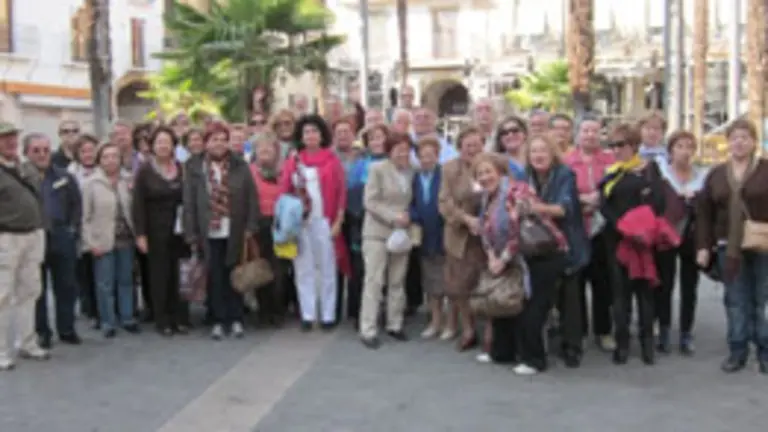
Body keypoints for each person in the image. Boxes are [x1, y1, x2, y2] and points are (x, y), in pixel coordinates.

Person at [696, 119, 768, 374]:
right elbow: (704, 213)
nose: (739, 142)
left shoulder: (765, 169)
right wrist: (703, 246)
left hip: (763, 246)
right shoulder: (716, 174)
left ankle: (764, 351)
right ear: (728, 142)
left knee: (762, 301)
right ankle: (737, 350)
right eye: (735, 138)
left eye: (745, 138)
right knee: (735, 300)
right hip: (728, 246)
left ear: (753, 142)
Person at [183, 122, 260, 340]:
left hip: (234, 229)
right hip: (208, 230)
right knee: (215, 276)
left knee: (234, 275)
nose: (218, 144)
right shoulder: (195, 167)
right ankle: (217, 319)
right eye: (214, 139)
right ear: (206, 143)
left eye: (222, 139)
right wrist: (191, 233)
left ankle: (236, 318)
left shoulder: (240, 166)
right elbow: (189, 202)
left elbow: (251, 197)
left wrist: (251, 225)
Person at [599, 123, 667, 365]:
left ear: (633, 146)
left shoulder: (648, 169)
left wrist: (641, 229)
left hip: (643, 241)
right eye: (612, 145)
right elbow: (603, 205)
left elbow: (658, 202)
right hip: (617, 239)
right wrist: (621, 226)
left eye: (621, 145)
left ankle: (647, 345)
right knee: (620, 294)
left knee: (645, 293)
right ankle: (623, 344)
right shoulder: (612, 172)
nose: (616, 150)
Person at [279, 114, 349, 331]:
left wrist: (339, 219)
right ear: (301, 136)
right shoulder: (293, 161)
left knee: (328, 268)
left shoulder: (332, 160)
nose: (310, 135)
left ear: (321, 135)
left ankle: (328, 314)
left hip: (324, 221)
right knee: (303, 269)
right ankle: (307, 314)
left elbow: (341, 193)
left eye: (314, 131)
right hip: (301, 223)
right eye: (306, 132)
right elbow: (284, 191)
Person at [525, 134, 588, 368]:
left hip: (566, 244)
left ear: (552, 154)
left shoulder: (564, 175)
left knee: (569, 298)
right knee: (541, 296)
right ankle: (544, 341)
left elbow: (563, 209)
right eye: (533, 152)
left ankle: (573, 346)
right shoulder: (526, 176)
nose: (538, 156)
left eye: (543, 151)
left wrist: (534, 208)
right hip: (537, 246)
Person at [21, 134, 82, 349]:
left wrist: (73, 228)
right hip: (33, 236)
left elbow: (76, 204)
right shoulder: (21, 178)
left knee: (66, 285)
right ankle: (42, 332)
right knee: (37, 288)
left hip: (61, 235)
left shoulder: (64, 176)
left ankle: (66, 329)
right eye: (36, 150)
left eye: (46, 149)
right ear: (26, 153)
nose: (42, 154)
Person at [564, 115, 616, 352]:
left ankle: (603, 330)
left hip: (602, 229)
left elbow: (616, 189)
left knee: (602, 283)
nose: (590, 135)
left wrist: (600, 199)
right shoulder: (567, 161)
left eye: (595, 131)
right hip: (576, 228)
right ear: (578, 133)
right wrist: (581, 199)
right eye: (585, 131)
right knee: (576, 282)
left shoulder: (610, 160)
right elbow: (563, 191)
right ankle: (580, 330)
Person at [0, 122, 49, 371]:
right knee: (3, 296)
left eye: (13, 137)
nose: (10, 142)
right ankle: (2, 351)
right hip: (7, 237)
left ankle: (27, 342)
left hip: (33, 234)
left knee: (30, 290)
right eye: (4, 138)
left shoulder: (22, 167)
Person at [358, 132, 414, 348]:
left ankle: (394, 324)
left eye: (406, 148)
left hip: (402, 234)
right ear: (389, 150)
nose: (403, 152)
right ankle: (368, 329)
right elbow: (370, 201)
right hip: (377, 232)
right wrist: (393, 217)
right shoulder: (377, 169)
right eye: (398, 148)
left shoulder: (412, 171)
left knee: (397, 280)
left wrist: (408, 218)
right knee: (374, 281)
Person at [132, 126, 189, 336]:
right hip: (155, 231)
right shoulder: (145, 171)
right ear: (152, 146)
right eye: (159, 142)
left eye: (167, 142)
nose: (163, 146)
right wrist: (140, 234)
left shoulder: (182, 169)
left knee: (179, 275)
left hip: (179, 230)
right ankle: (162, 319)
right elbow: (137, 204)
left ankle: (179, 317)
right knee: (159, 275)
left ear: (174, 145)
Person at [81, 143, 140, 339]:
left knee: (125, 280)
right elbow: (84, 217)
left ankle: (127, 317)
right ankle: (107, 321)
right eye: (106, 156)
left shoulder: (127, 180)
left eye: (114, 156)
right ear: (99, 159)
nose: (111, 160)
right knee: (104, 284)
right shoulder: (91, 183)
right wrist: (90, 243)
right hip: (102, 240)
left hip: (126, 239)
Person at [656, 130, 707, 354]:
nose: (685, 152)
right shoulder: (662, 173)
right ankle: (664, 329)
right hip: (667, 234)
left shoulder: (701, 176)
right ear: (670, 150)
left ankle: (686, 332)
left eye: (689, 147)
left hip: (691, 235)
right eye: (680, 146)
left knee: (690, 286)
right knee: (664, 284)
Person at [438, 127, 486, 351]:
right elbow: (445, 202)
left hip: (487, 236)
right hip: (459, 235)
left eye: (476, 145)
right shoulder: (449, 169)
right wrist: (466, 219)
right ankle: (467, 328)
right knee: (459, 285)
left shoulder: (491, 166)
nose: (472, 150)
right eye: (468, 146)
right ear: (459, 148)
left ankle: (489, 331)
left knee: (485, 284)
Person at [344, 124, 390, 326]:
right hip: (362, 221)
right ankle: (361, 312)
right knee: (362, 269)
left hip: (389, 221)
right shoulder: (361, 164)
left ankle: (387, 312)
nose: (376, 142)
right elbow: (352, 192)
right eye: (372, 139)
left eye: (380, 137)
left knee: (388, 271)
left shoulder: (394, 162)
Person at [411, 137, 454, 340]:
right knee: (430, 282)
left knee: (448, 282)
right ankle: (435, 321)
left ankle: (451, 324)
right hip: (424, 235)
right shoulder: (415, 177)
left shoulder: (445, 175)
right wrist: (414, 217)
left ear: (437, 156)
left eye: (430, 155)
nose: (426, 159)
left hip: (444, 233)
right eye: (422, 156)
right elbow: (411, 202)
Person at [249, 131, 289, 326]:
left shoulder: (285, 172)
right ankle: (263, 311)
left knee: (280, 269)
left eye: (269, 147)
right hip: (258, 225)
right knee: (261, 268)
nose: (265, 151)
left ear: (276, 151)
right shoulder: (249, 172)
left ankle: (278, 309)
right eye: (260, 147)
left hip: (282, 225)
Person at [68, 134, 100, 325]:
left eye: (91, 150)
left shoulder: (104, 170)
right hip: (81, 227)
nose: (88, 155)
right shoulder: (71, 173)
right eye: (84, 151)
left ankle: (101, 308)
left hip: (101, 227)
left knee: (100, 271)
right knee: (84, 270)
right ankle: (88, 306)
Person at [493, 115, 528, 180]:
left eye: (515, 130)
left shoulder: (535, 156)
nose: (510, 135)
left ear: (524, 133)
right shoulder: (496, 163)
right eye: (504, 133)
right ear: (500, 139)